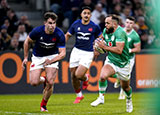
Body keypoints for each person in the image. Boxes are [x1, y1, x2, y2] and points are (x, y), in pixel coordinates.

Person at [22, 12, 66, 112]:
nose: (52, 26)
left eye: (54, 23)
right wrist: (25, 58)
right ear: (45, 23)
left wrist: (51, 61)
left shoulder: (59, 34)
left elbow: (62, 54)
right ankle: (44, 79)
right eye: (50, 23)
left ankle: (43, 105)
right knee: (34, 82)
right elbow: (27, 42)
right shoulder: (37, 31)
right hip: (38, 57)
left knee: (51, 82)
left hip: (52, 56)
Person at [90, 14, 133, 113]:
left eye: (107, 23)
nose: (105, 25)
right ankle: (101, 98)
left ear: (114, 24)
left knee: (126, 88)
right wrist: (97, 48)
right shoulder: (106, 31)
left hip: (123, 63)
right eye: (105, 23)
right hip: (111, 60)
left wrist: (104, 47)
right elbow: (103, 42)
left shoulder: (120, 33)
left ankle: (129, 100)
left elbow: (119, 50)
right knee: (102, 76)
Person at [65, 6, 102, 104]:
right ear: (81, 14)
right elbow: (68, 35)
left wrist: (97, 48)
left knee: (78, 74)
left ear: (90, 15)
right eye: (84, 13)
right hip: (76, 51)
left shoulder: (94, 26)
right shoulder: (75, 24)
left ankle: (86, 78)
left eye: (88, 13)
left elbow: (101, 37)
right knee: (73, 76)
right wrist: (61, 46)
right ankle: (79, 95)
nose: (86, 15)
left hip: (88, 52)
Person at [114, 16, 141, 100]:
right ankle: (118, 78)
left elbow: (138, 49)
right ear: (124, 23)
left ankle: (122, 93)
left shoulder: (135, 36)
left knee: (125, 77)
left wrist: (130, 50)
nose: (128, 25)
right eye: (127, 22)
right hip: (119, 57)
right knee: (113, 71)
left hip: (129, 59)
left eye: (131, 23)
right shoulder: (119, 31)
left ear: (133, 25)